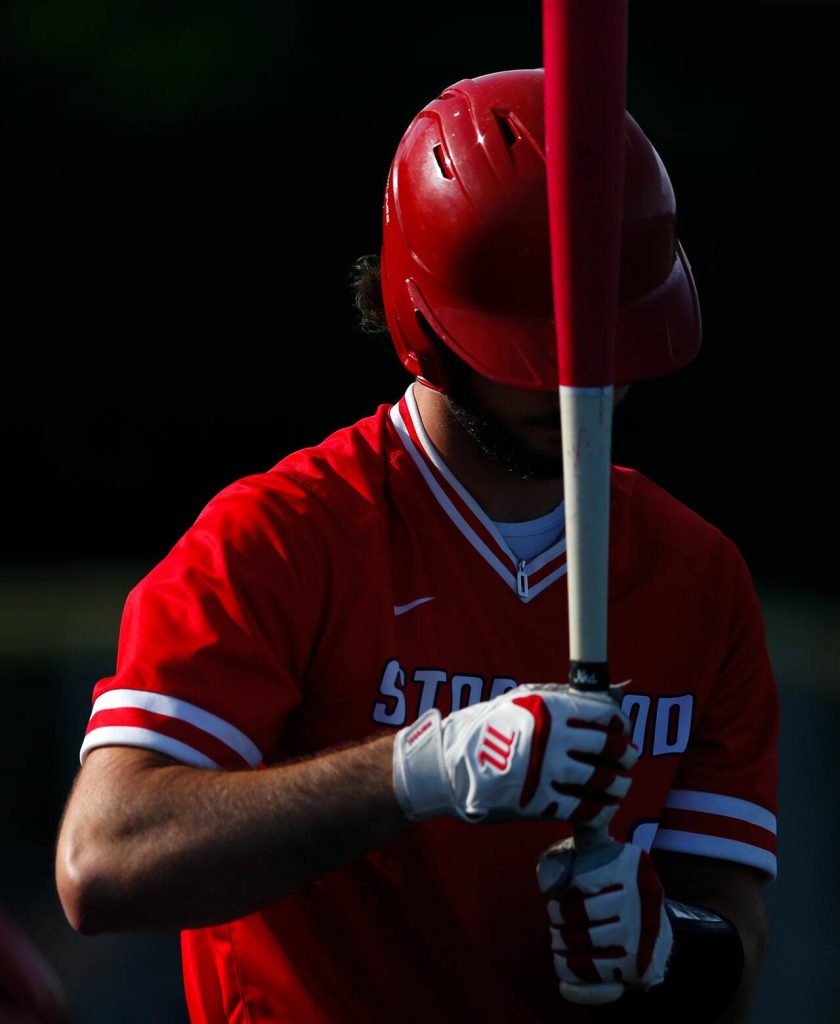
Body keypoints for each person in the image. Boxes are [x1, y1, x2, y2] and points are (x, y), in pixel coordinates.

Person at [56, 70, 777, 1023]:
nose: (581, 385)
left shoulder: (699, 579)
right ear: (422, 326)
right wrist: (420, 770)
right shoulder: (281, 538)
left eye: (608, 341)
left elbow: (736, 932)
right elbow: (104, 862)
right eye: (531, 353)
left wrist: (670, 945)